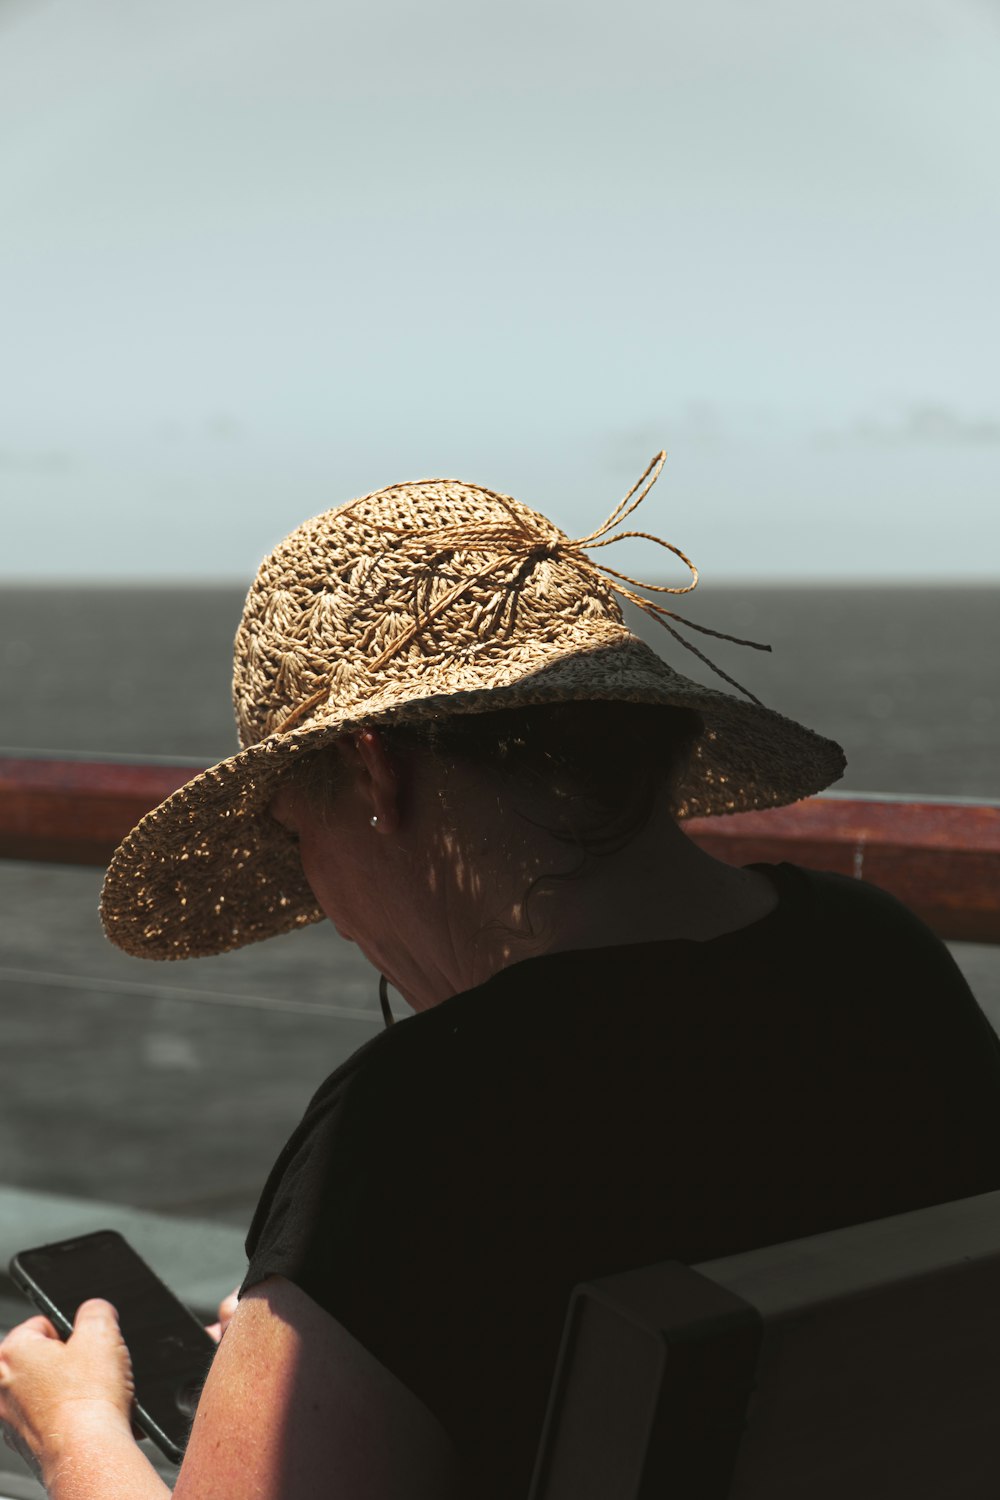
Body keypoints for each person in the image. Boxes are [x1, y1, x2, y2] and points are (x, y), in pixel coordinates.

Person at [3, 455, 1000, 1499]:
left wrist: (74, 1429)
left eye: (299, 840)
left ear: (375, 774)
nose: (333, 919)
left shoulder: (421, 1124)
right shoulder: (879, 960)